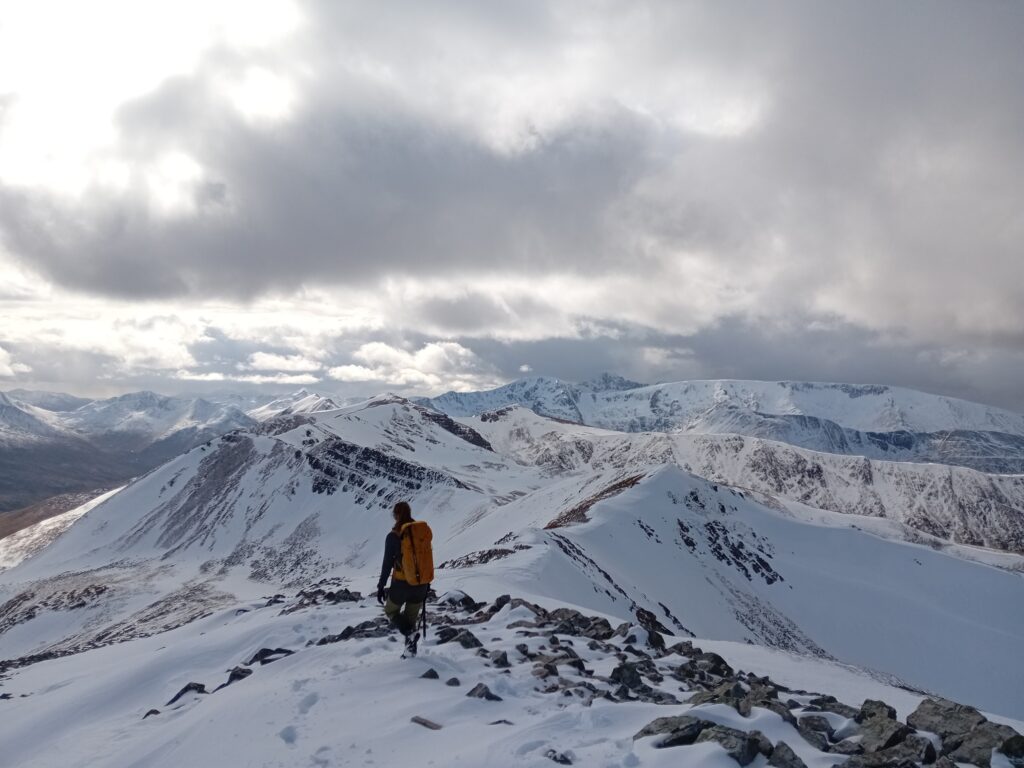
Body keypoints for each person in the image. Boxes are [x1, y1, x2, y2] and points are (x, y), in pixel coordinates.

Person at [376, 501, 431, 655]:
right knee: (410, 619)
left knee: (391, 611)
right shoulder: (420, 532)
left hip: (401, 585)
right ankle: (410, 652)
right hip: (421, 584)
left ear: (395, 515)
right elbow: (425, 558)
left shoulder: (394, 536)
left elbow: (387, 564)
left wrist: (381, 586)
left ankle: (410, 636)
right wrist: (427, 582)